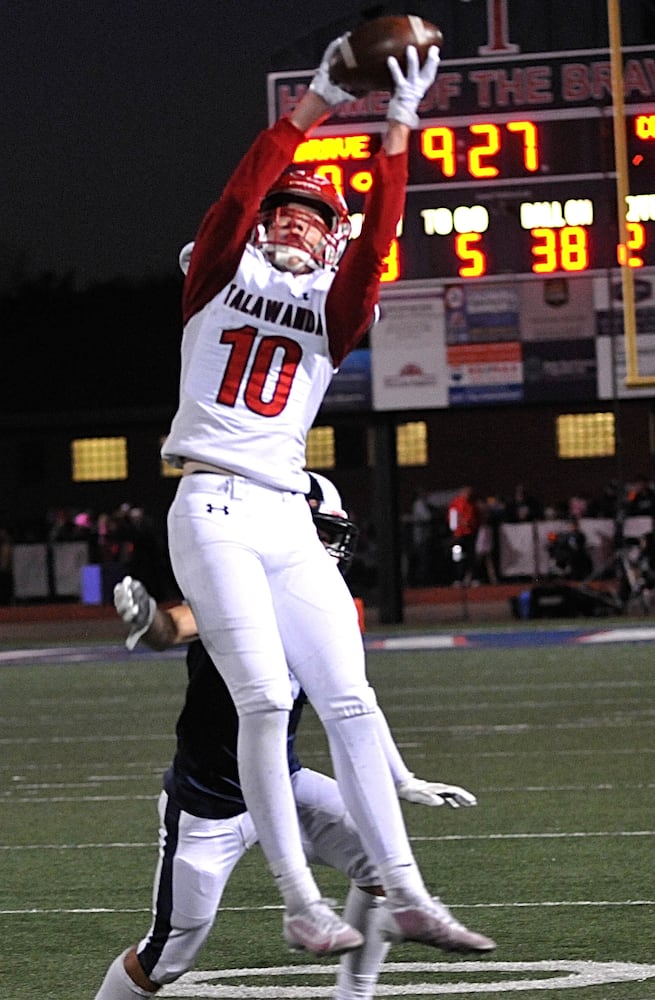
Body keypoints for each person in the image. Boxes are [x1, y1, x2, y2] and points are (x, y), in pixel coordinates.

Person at [161, 33, 495, 955]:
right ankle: (302, 905)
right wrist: (313, 102)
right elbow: (240, 190)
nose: (297, 221)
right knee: (265, 700)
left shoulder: (337, 308)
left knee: (348, 697)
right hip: (215, 501)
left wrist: (398, 123)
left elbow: (381, 233)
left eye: (315, 214)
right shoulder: (216, 275)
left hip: (283, 510)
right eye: (288, 212)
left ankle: (409, 893)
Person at [94, 477, 481, 999]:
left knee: (379, 865)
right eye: (310, 530)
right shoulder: (231, 592)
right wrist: (152, 622)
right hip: (210, 805)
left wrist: (400, 776)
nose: (322, 546)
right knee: (168, 956)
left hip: (286, 783)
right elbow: (176, 625)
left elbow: (354, 704)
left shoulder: (328, 606)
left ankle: (354, 995)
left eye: (326, 532)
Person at [446, 486, 479, 586]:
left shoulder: (471, 504)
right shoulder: (455, 503)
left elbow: (474, 519)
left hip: (469, 535)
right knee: (457, 557)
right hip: (458, 536)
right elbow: (452, 520)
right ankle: (458, 578)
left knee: (470, 557)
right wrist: (456, 529)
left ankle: (470, 578)